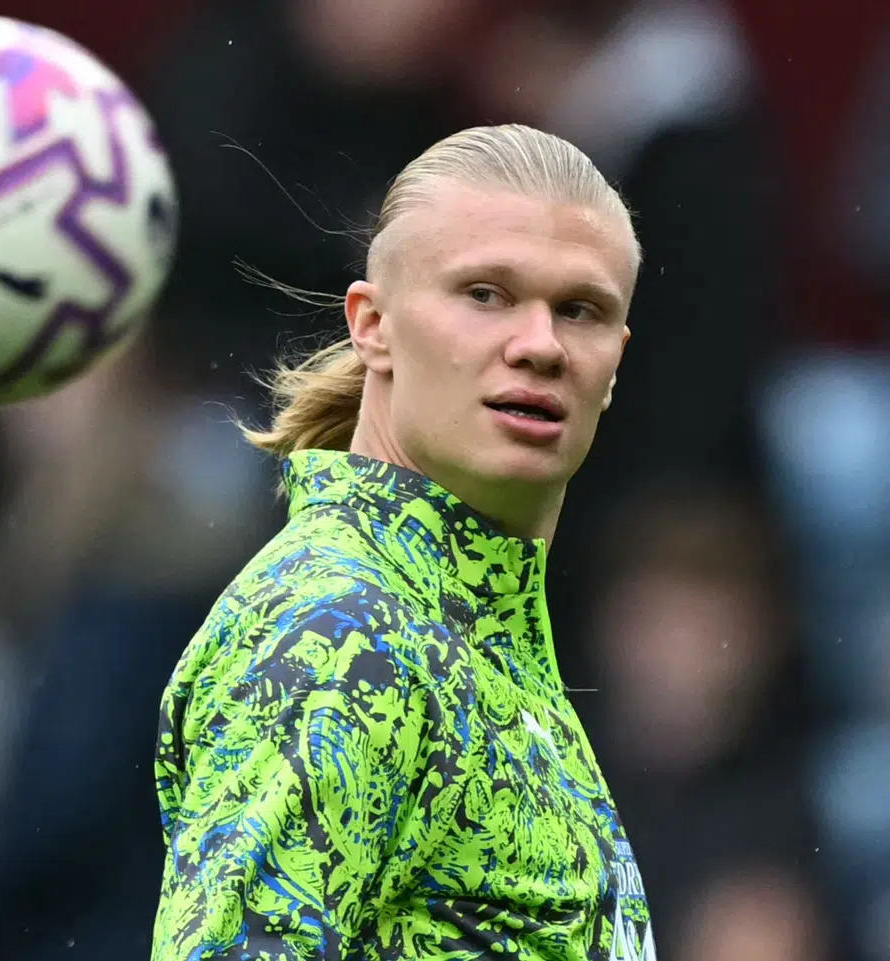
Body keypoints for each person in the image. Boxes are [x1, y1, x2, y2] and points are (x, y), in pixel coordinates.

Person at [152, 125, 655, 960]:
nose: (540, 344)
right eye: (485, 293)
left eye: (581, 309)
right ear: (372, 324)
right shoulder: (340, 631)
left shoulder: (469, 636)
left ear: (616, 363)